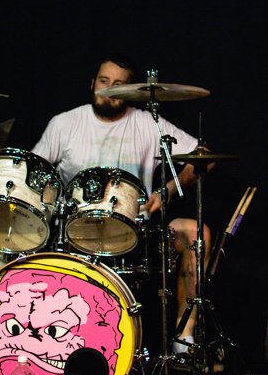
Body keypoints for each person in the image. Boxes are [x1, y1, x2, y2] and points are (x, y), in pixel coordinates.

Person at [31, 55, 210, 353]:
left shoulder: (147, 123)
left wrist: (167, 190)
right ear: (92, 84)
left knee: (195, 232)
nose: (109, 90)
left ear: (131, 91)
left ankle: (184, 340)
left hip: (136, 233)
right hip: (74, 234)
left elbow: (203, 157)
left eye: (119, 85)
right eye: (104, 82)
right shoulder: (64, 123)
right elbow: (36, 174)